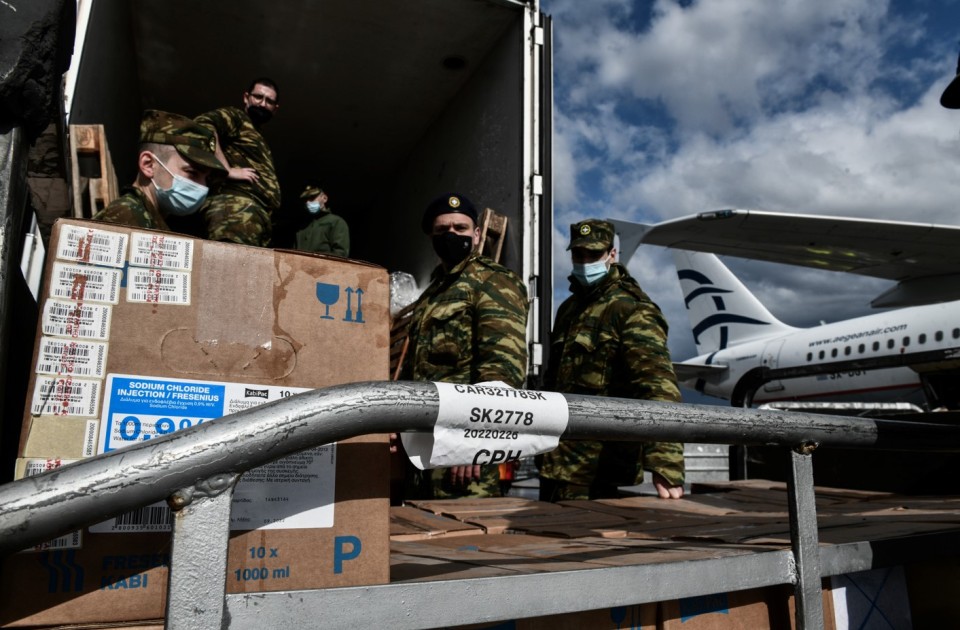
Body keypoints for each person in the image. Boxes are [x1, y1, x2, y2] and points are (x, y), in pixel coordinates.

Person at [537, 219, 685, 501]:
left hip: (600, 474)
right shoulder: (569, 309)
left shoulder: (631, 309)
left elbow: (658, 387)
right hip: (555, 465)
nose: (585, 261)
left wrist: (665, 463)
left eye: (594, 255)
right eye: (578, 255)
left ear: (611, 255)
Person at [399, 193, 529, 499]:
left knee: (465, 541)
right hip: (424, 443)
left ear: (477, 234)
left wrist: (475, 441)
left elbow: (503, 366)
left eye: (460, 227)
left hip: (465, 452)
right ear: (432, 236)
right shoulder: (431, 295)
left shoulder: (492, 281)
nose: (452, 235)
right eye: (443, 230)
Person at [93, 110, 225, 230]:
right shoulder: (127, 215)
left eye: (206, 178)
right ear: (148, 165)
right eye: (191, 172)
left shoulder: (148, 217)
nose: (202, 186)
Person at [194, 77, 282, 247]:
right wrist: (225, 169)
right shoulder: (237, 117)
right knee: (230, 270)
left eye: (269, 101)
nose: (263, 104)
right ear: (246, 97)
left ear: (275, 108)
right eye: (258, 97)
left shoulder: (256, 133)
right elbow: (203, 125)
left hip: (253, 216)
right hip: (235, 211)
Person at [294, 184, 350, 256]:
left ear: (324, 198)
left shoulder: (336, 222)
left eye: (312, 197)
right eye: (306, 199)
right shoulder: (301, 228)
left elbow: (340, 255)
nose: (308, 202)